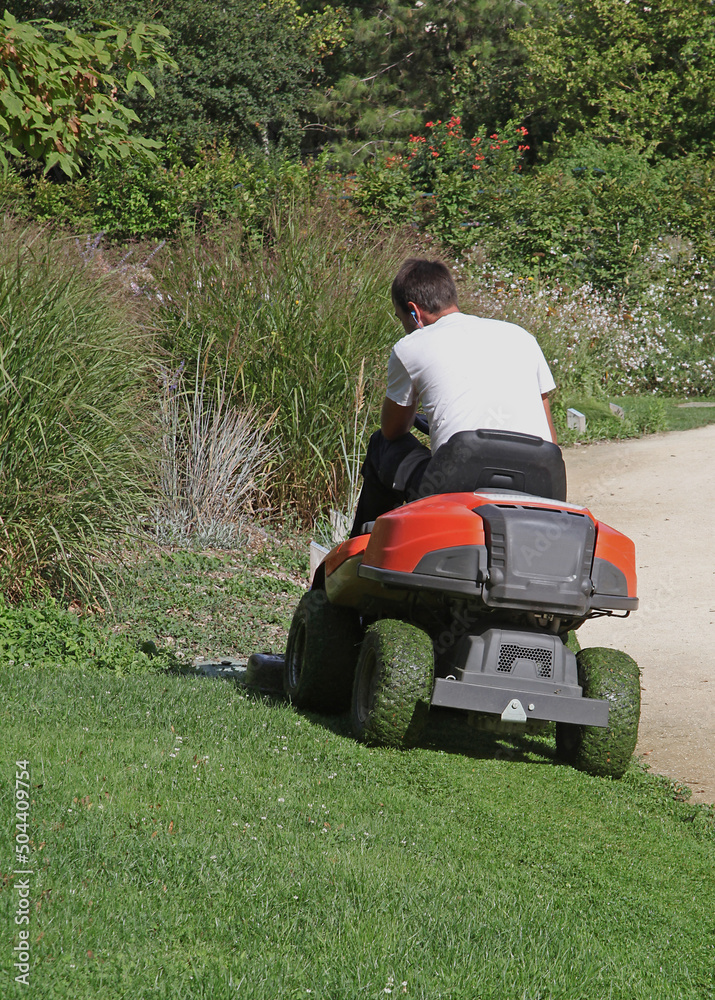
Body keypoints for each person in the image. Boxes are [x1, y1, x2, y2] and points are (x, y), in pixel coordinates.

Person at [349, 257, 558, 536]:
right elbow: (551, 438)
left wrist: (414, 416)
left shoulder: (410, 346)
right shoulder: (522, 338)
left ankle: (367, 551)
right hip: (543, 482)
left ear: (414, 312)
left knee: (380, 445)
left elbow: (392, 430)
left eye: (401, 319)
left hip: (456, 488)